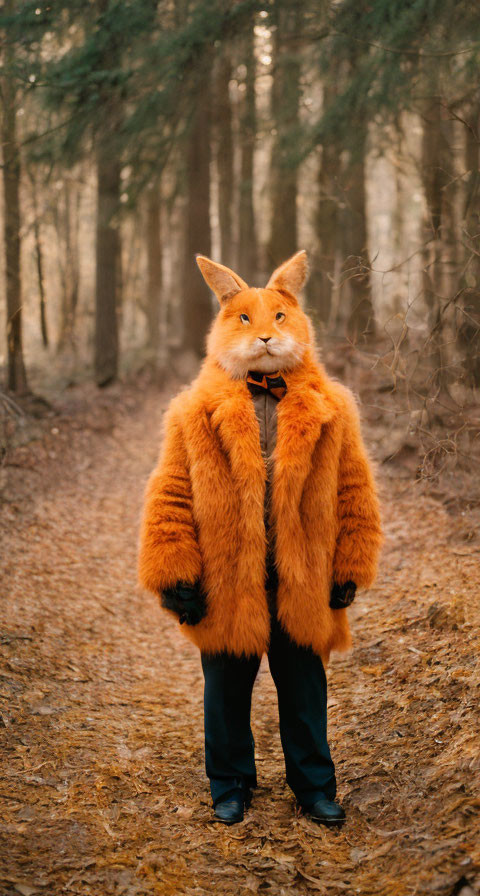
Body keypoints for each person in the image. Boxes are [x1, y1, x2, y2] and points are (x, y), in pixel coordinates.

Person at [137, 250, 383, 826]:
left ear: (297, 324)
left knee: (304, 688)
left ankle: (314, 785)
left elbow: (355, 488)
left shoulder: (333, 406)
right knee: (226, 690)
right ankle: (230, 782)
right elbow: (170, 492)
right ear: (224, 326)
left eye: (277, 320)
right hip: (228, 577)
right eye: (247, 320)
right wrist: (173, 570)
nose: (265, 336)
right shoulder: (194, 410)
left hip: (302, 574)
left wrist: (350, 564)